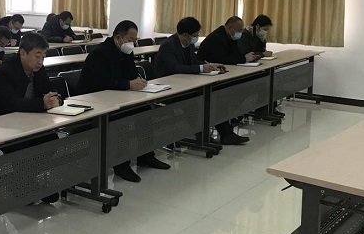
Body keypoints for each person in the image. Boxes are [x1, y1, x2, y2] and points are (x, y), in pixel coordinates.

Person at [78, 20, 170, 182]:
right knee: (122, 119)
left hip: (116, 96)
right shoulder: (100, 53)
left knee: (145, 111)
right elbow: (101, 82)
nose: (132, 43)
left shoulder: (126, 51)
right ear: (118, 37)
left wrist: (137, 81)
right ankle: (121, 165)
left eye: (134, 39)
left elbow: (131, 73)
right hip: (93, 100)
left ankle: (146, 155)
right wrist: (128, 84)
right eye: (130, 39)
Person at [0, 32, 62, 203]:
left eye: (43, 56)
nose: (40, 61)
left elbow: (50, 90)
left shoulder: (38, 70)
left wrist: (56, 99)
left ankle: (21, 181)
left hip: (26, 121)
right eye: (37, 56)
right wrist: (42, 104)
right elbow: (11, 104)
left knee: (52, 140)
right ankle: (22, 184)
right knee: (25, 146)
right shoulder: (5, 71)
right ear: (23, 53)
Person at [154, 17, 247, 145]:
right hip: (170, 88)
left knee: (214, 95)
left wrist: (209, 65)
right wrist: (201, 68)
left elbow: (193, 62)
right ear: (185, 35)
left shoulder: (188, 44)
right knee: (195, 100)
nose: (196, 38)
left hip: (186, 83)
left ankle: (226, 134)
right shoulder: (168, 46)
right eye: (195, 35)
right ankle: (202, 135)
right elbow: (175, 68)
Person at [238, 15, 283, 118]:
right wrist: (262, 54)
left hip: (256, 65)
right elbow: (245, 53)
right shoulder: (245, 35)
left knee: (271, 78)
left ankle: (268, 108)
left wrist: (262, 44)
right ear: (257, 26)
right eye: (265, 29)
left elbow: (261, 50)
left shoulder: (258, 36)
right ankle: (263, 110)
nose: (265, 32)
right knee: (265, 81)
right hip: (245, 67)